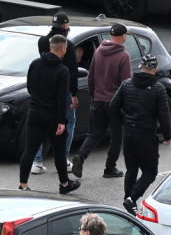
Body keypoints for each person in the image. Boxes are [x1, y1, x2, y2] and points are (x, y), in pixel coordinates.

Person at [110, 53, 171, 215]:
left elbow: (113, 107)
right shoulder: (158, 89)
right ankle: (132, 198)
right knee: (150, 172)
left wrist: (124, 120)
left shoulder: (126, 85)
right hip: (146, 134)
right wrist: (167, 136)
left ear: (139, 67)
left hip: (129, 132)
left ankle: (128, 203)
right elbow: (164, 115)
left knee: (131, 170)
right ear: (155, 70)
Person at [68, 23, 132, 180]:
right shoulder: (124, 56)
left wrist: (93, 95)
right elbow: (126, 83)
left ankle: (81, 156)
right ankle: (110, 168)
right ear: (123, 36)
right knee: (117, 136)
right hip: (114, 103)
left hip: (97, 100)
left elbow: (91, 77)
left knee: (95, 133)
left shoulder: (98, 52)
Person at [19, 34, 81, 193]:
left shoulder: (35, 64)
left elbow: (29, 86)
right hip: (53, 116)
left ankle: (23, 185)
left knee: (29, 150)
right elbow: (61, 98)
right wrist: (62, 120)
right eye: (66, 48)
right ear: (62, 49)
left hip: (34, 112)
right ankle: (64, 184)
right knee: (59, 152)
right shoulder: (62, 70)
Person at [30, 13, 79, 176]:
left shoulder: (42, 41)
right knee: (68, 121)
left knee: (42, 124)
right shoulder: (68, 45)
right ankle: (63, 158)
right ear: (65, 26)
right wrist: (74, 94)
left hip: (44, 89)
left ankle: (36, 161)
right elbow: (72, 72)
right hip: (62, 89)